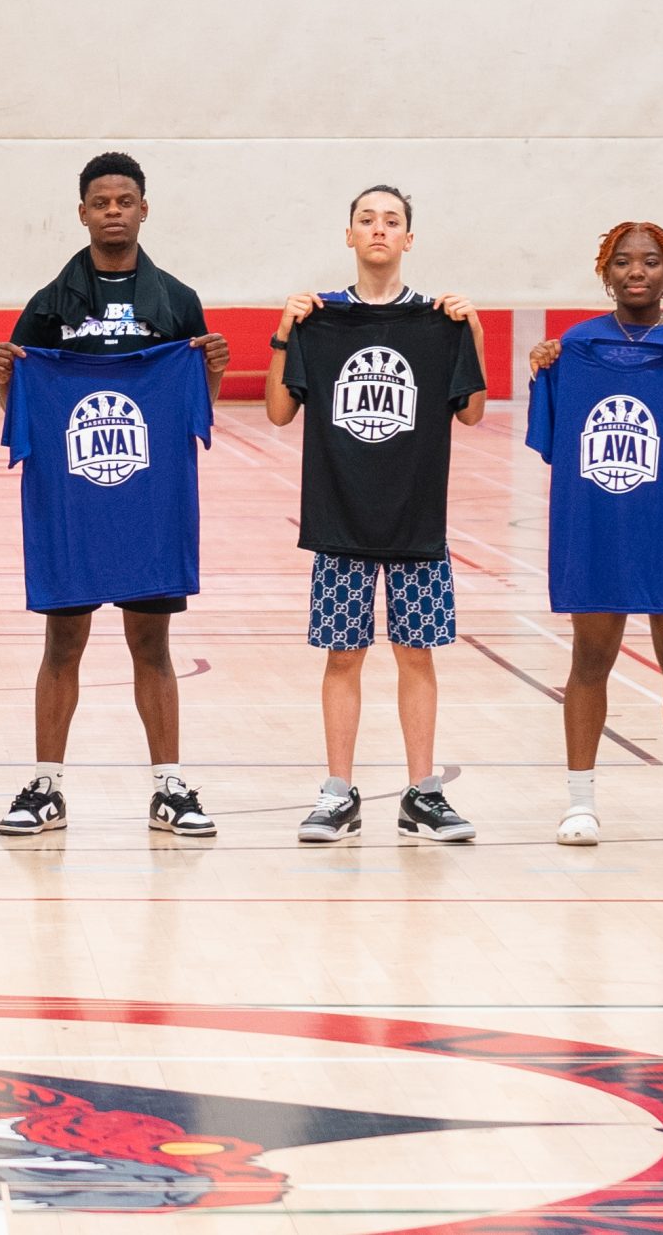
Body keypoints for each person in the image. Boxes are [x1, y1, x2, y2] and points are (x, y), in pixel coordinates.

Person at [0, 152, 231, 838]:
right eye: (101, 201)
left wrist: (210, 374)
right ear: (83, 212)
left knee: (152, 643)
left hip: (148, 502)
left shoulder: (176, 302)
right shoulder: (49, 305)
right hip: (73, 504)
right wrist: (6, 379)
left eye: (125, 200)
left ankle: (168, 788)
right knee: (63, 641)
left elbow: (194, 414)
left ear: (144, 209)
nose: (114, 210)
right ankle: (45, 786)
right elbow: (21, 410)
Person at [265, 185, 488, 844]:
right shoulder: (319, 319)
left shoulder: (439, 320)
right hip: (342, 516)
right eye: (368, 219)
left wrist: (470, 330)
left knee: (416, 652)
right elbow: (278, 413)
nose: (380, 229)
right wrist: (284, 330)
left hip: (417, 519)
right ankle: (338, 792)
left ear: (409, 239)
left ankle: (422, 794)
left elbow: (472, 412)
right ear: (350, 235)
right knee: (344, 655)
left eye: (392, 221)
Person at [525, 223, 663, 847]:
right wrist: (545, 366)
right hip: (593, 529)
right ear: (606, 272)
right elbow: (549, 440)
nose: (636, 271)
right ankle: (580, 803)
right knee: (589, 661)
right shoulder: (574, 348)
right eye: (622, 262)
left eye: (650, 262)